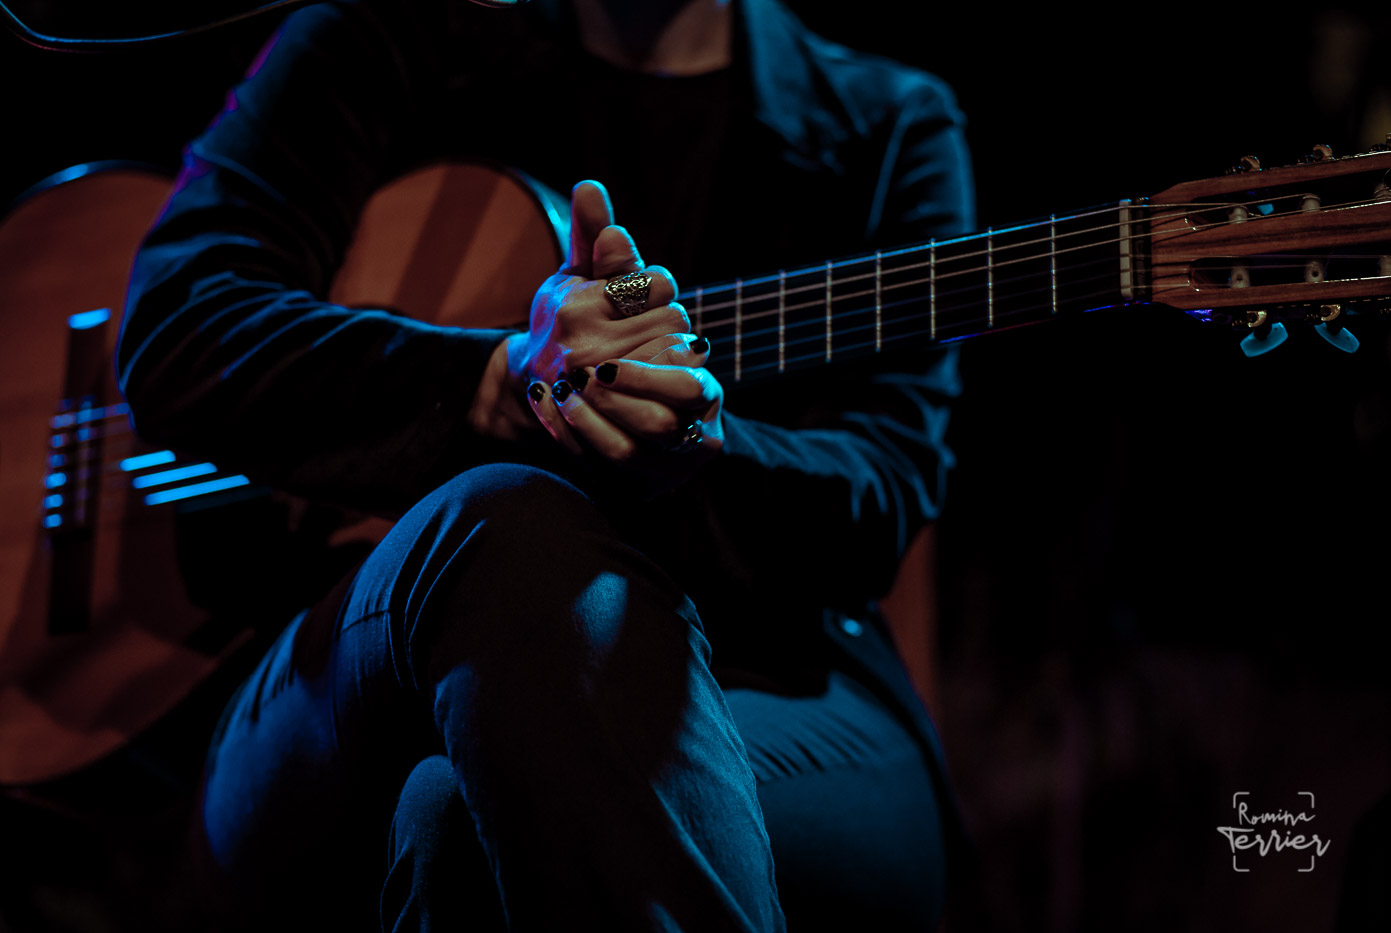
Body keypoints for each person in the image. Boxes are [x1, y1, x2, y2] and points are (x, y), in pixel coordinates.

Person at [117, 0, 977, 928]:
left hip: (782, 678)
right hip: (341, 677)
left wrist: (684, 451)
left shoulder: (883, 125)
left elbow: (880, 491)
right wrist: (490, 388)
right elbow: (180, 321)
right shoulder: (389, 32)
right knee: (510, 522)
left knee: (457, 820)